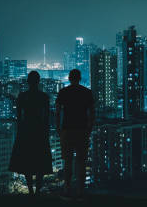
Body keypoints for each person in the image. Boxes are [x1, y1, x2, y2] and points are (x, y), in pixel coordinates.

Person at [9, 71, 53, 194]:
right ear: (38, 82)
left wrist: (20, 131)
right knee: (40, 160)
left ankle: (30, 190)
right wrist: (46, 131)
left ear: (28, 82)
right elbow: (47, 117)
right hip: (39, 130)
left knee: (27, 160)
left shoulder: (22, 96)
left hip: (26, 129)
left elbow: (19, 116)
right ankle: (37, 191)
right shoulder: (44, 97)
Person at [55, 69, 95, 198]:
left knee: (67, 161)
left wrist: (59, 129)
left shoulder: (63, 92)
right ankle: (80, 190)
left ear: (69, 78)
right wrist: (89, 129)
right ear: (80, 78)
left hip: (67, 130)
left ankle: (67, 188)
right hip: (82, 130)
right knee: (81, 162)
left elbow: (57, 111)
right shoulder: (86, 92)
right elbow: (92, 112)